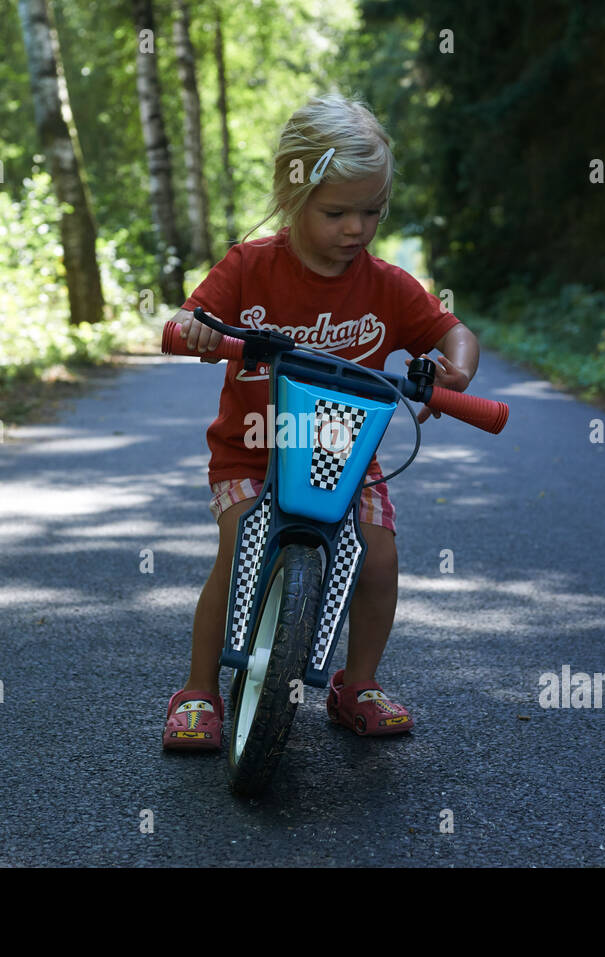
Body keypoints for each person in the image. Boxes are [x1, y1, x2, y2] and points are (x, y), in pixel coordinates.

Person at [163, 92, 481, 750]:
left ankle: (356, 681)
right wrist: (193, 329)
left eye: (371, 211)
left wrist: (456, 367)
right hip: (251, 455)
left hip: (347, 460)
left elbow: (452, 331)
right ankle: (200, 688)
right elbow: (189, 318)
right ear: (293, 192)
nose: (356, 228)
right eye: (336, 211)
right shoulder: (249, 267)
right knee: (242, 543)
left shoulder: (388, 285)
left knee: (379, 554)